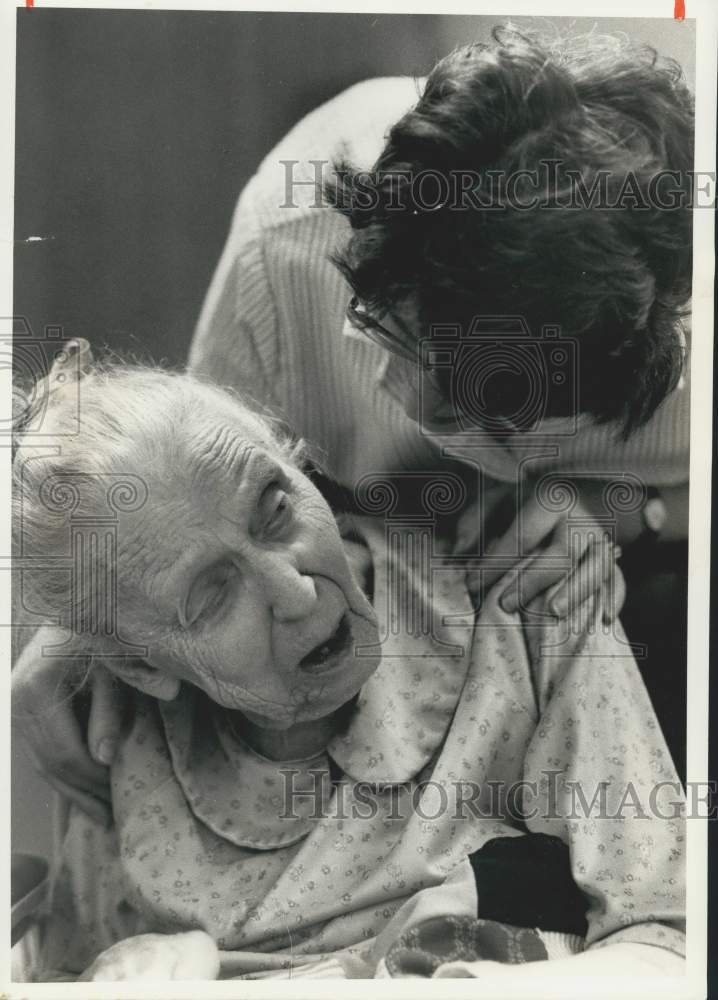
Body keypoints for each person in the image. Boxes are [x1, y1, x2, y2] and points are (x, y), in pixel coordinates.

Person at [13, 26, 692, 822]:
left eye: (498, 405)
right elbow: (191, 504)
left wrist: (631, 512)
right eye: (405, 340)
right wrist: (85, 623)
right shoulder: (286, 243)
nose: (429, 416)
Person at [12, 358, 685, 981]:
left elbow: (669, 938)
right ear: (141, 665)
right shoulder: (117, 732)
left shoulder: (534, 599)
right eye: (214, 595)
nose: (296, 591)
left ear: (299, 463)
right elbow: (65, 972)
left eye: (276, 511)